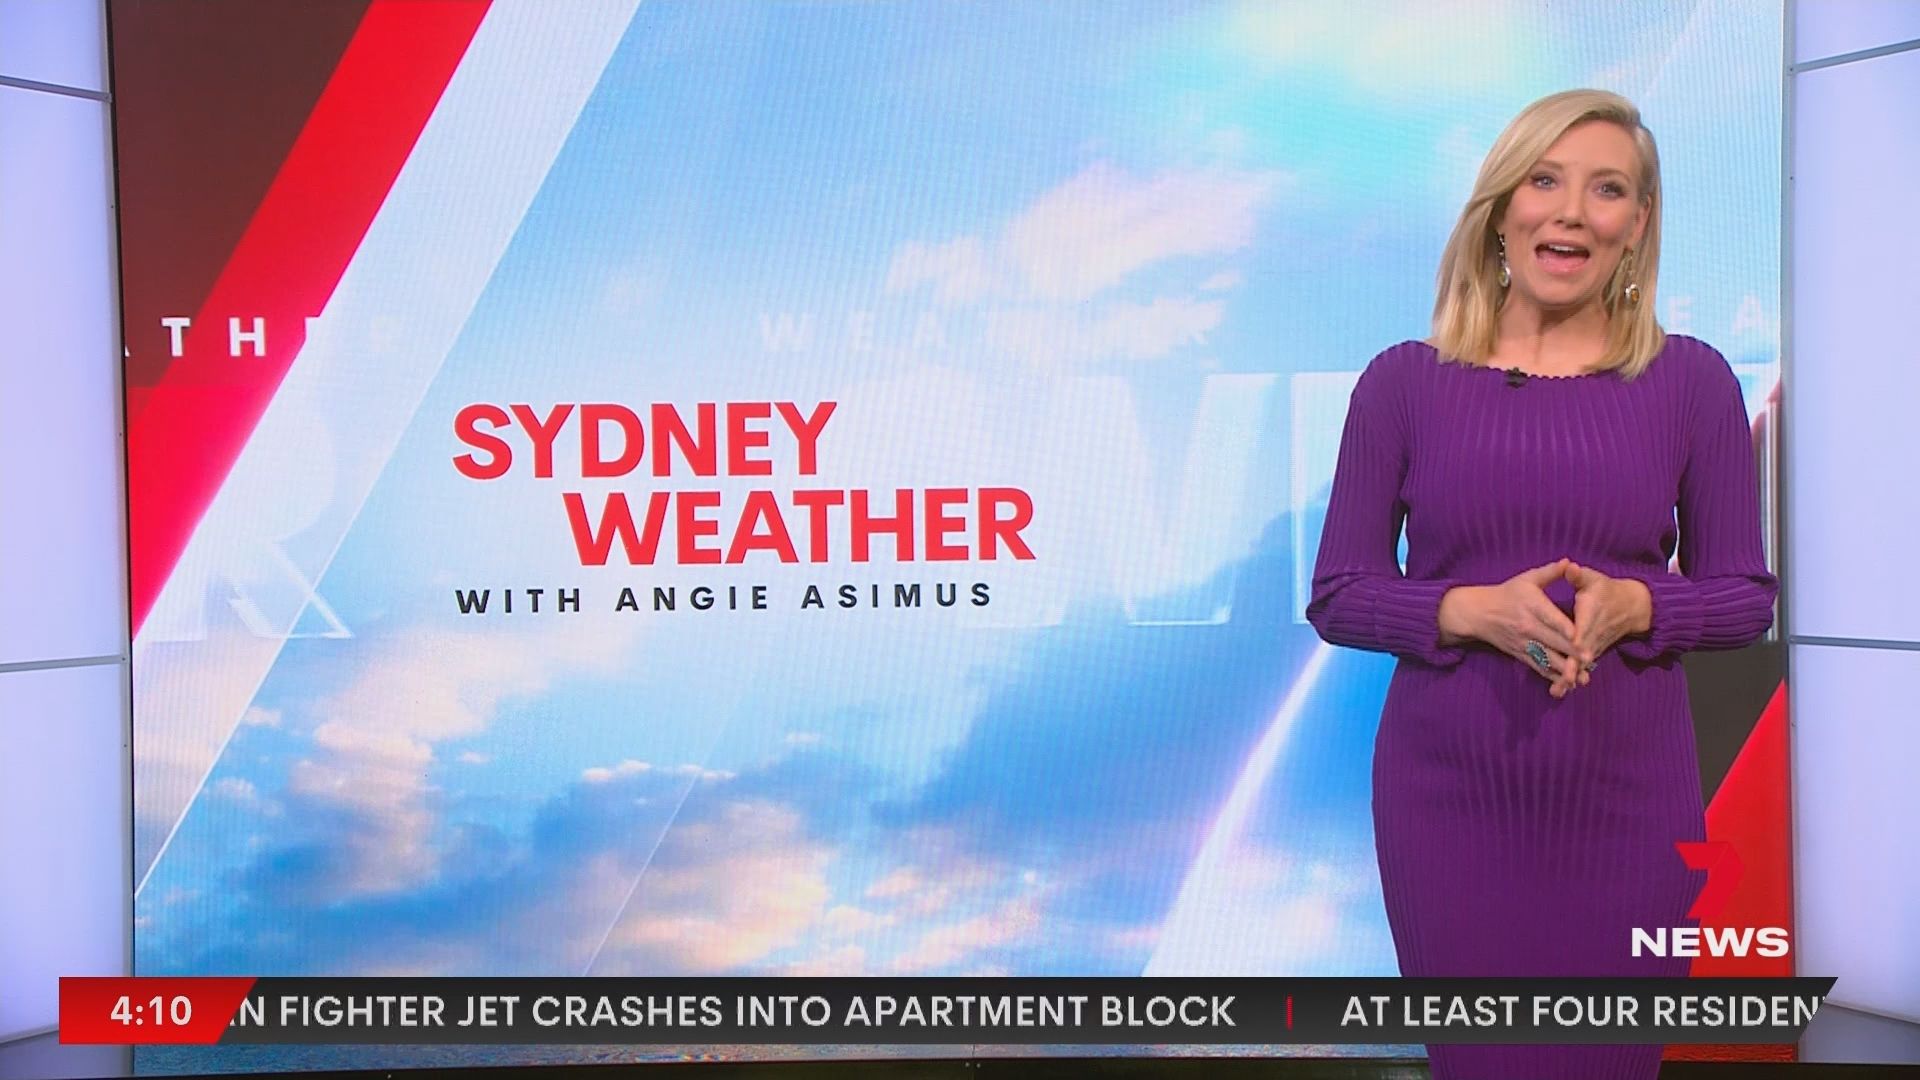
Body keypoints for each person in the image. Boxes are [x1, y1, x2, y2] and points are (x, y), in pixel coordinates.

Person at [1305, 89, 1777, 1079]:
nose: (1571, 212)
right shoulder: (1402, 383)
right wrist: (1466, 611)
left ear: (1638, 223)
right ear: (1501, 208)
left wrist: (1641, 604)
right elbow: (1340, 591)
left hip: (1629, 804)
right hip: (1449, 804)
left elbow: (1744, 595)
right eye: (1545, 180)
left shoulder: (1692, 383)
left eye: (1607, 189)